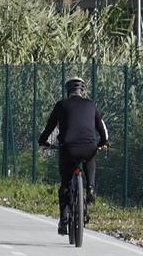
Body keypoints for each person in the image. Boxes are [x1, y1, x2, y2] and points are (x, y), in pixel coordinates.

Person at [37, 76, 108, 236]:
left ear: (68, 91)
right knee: (90, 156)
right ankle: (90, 188)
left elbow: (49, 127)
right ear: (82, 91)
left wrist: (42, 142)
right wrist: (103, 142)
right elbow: (101, 127)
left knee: (65, 185)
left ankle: (63, 219)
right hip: (89, 146)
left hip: (68, 148)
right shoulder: (91, 104)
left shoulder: (61, 105)